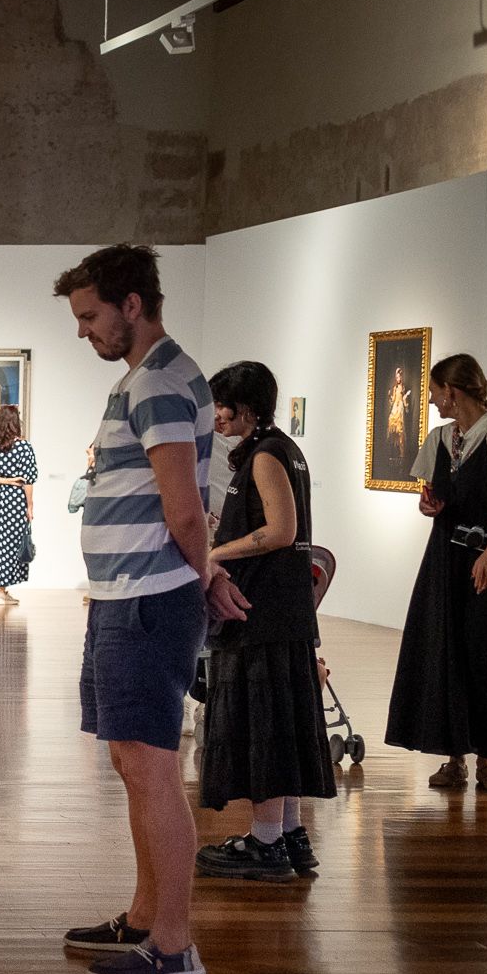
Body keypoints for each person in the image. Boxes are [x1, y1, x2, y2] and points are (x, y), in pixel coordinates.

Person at [54, 243, 242, 974]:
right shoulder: (145, 379)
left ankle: (174, 944)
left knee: (153, 769)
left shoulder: (161, 380)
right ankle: (142, 915)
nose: (83, 331)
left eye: (90, 315)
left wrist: (205, 572)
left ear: (133, 305)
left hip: (145, 602)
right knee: (131, 762)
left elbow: (185, 508)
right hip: (122, 600)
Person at [195, 362, 333, 882]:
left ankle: (266, 842)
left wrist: (215, 553)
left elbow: (281, 530)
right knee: (285, 720)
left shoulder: (267, 455)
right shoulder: (281, 450)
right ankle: (290, 833)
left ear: (246, 407)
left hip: (263, 612)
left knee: (266, 724)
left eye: (222, 405)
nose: (216, 415)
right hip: (281, 611)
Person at [387, 354, 487, 792]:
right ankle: (454, 759)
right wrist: (429, 505)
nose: (430, 400)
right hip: (445, 559)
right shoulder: (441, 438)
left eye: (433, 391)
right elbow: (432, 498)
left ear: (453, 390)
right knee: (445, 649)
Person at [0, 403, 37, 605]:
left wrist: (3, 481)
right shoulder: (23, 447)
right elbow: (28, 480)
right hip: (14, 501)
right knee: (9, 544)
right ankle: (1, 591)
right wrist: (30, 506)